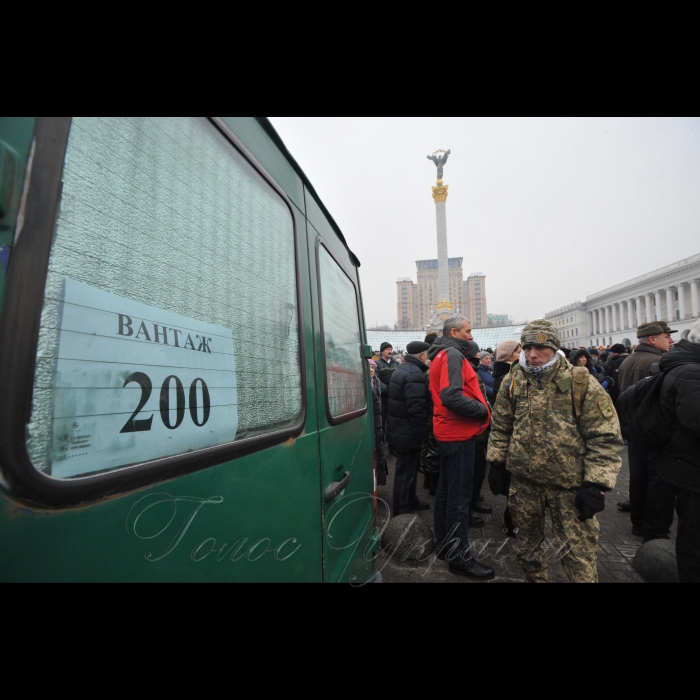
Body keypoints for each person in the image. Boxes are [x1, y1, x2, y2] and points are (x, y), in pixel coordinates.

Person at [487, 320, 624, 584]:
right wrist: (496, 463)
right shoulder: (512, 381)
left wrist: (597, 484)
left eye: (541, 347)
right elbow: (501, 426)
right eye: (527, 347)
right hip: (524, 485)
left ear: (554, 348)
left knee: (578, 556)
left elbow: (605, 437)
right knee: (527, 550)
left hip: (569, 487)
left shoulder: (580, 382)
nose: (532, 354)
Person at [428, 315, 494, 580]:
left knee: (446, 492)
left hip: (449, 431)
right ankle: (460, 557)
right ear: (453, 331)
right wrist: (482, 410)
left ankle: (445, 545)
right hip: (458, 432)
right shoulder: (453, 355)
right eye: (468, 331)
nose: (471, 335)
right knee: (459, 498)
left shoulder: (441, 354)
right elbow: (451, 396)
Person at [618, 321, 677, 541]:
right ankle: (653, 527)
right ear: (652, 339)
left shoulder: (627, 361)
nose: (670, 341)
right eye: (666, 336)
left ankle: (638, 522)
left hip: (633, 432)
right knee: (657, 482)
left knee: (638, 477)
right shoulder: (660, 362)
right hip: (655, 433)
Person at [657, 320, 700, 582]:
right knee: (694, 544)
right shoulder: (691, 373)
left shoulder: (684, 368)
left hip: (686, 466)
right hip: (692, 471)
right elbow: (695, 422)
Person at [387, 342, 432, 516]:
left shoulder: (404, 369)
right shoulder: (414, 374)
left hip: (401, 429)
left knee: (410, 469)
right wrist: (422, 436)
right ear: (421, 355)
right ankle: (401, 510)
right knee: (404, 473)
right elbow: (416, 410)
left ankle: (411, 500)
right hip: (408, 432)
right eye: (426, 354)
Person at [490, 339, 521, 537]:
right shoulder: (509, 377)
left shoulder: (504, 373)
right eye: (519, 350)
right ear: (510, 355)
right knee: (515, 485)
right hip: (513, 437)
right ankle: (513, 523)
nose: (523, 353)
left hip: (511, 437)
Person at [466, 343, 493, 524]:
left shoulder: (472, 371)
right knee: (470, 473)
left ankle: (474, 500)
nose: (481, 357)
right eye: (477, 354)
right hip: (472, 432)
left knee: (478, 470)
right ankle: (467, 509)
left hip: (479, 431)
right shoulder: (467, 373)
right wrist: (483, 411)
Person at [420, 333, 441, 496]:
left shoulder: (428, 364)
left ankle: (428, 480)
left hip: (429, 413)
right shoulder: (433, 366)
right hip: (433, 413)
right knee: (433, 450)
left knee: (428, 448)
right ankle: (432, 484)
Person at [368, 360, 388, 486]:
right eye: (368, 367)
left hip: (377, 422)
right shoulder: (362, 383)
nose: (371, 370)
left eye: (372, 367)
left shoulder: (377, 382)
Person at [377, 343, 399, 445]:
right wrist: (387, 390)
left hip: (394, 399)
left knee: (393, 423)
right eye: (387, 349)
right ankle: (381, 444)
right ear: (382, 351)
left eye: (391, 349)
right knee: (381, 421)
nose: (390, 351)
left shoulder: (396, 364)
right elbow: (376, 379)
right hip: (383, 399)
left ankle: (392, 446)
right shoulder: (377, 364)